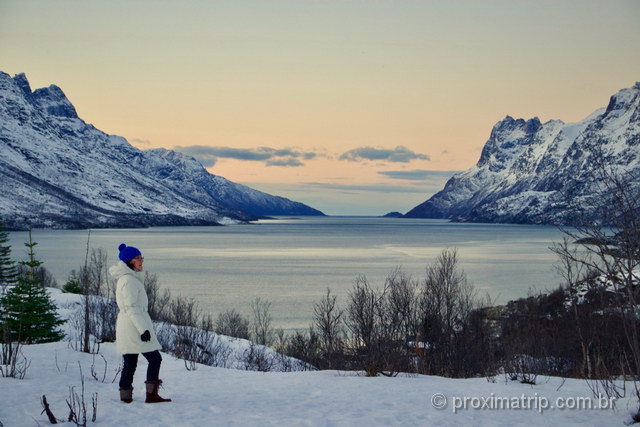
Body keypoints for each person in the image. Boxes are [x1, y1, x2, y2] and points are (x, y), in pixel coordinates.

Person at [109, 243, 171, 404]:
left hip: (128, 326)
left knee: (130, 362)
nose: (141, 260)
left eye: (141, 257)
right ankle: (151, 395)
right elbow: (131, 307)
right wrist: (143, 329)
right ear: (129, 261)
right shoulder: (129, 281)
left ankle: (126, 396)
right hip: (134, 327)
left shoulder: (130, 278)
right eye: (138, 258)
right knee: (155, 359)